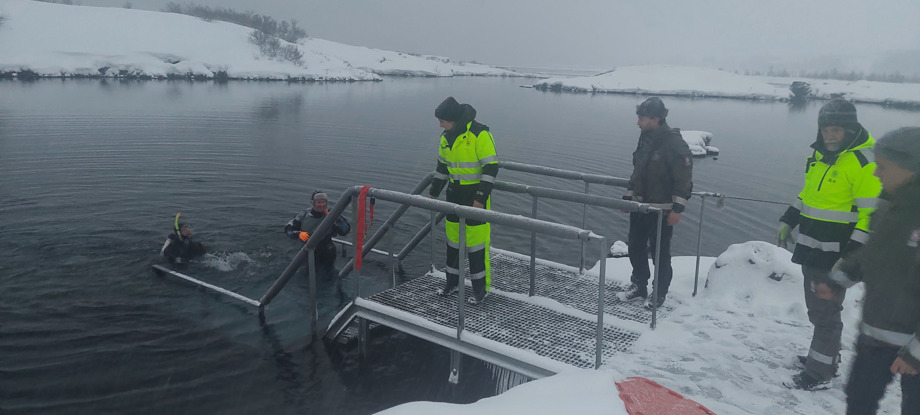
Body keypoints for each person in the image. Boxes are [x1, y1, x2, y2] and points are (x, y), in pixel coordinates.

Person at [777, 99, 882, 390]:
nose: (830, 136)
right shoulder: (822, 155)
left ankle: (819, 373)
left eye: (836, 130)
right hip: (813, 248)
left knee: (825, 314)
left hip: (836, 254)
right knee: (818, 310)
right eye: (825, 130)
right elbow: (809, 194)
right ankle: (823, 358)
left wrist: (850, 257)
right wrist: (789, 218)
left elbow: (872, 216)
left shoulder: (864, 162)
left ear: (850, 129)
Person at [829, 127, 920, 414]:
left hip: (915, 347)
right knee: (858, 402)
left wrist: (916, 354)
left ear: (910, 170)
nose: (876, 174)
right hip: (875, 336)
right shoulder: (888, 205)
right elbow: (875, 251)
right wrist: (840, 278)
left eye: (882, 167)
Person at [616, 97, 693, 310]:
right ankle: (639, 285)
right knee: (635, 247)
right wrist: (629, 197)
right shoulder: (645, 138)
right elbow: (638, 172)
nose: (638, 122)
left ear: (656, 119)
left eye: (641, 118)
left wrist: (677, 208)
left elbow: (684, 178)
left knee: (660, 253)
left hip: (662, 210)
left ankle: (659, 293)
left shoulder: (673, 142)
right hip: (640, 206)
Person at [428, 96, 498, 305]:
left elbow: (491, 167)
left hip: (475, 197)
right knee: (453, 244)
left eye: (443, 120)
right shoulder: (446, 137)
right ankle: (452, 283)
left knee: (477, 247)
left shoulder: (479, 134)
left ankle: (480, 290)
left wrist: (480, 198)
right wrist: (433, 193)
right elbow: (442, 168)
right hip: (453, 195)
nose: (440, 124)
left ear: (454, 119)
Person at [284, 189, 351, 271]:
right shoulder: (304, 215)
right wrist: (298, 234)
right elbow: (288, 228)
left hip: (327, 252)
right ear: (313, 203)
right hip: (307, 251)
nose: (321, 205)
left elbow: (345, 230)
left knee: (328, 276)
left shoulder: (333, 214)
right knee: (306, 275)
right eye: (318, 202)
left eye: (324, 202)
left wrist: (335, 219)